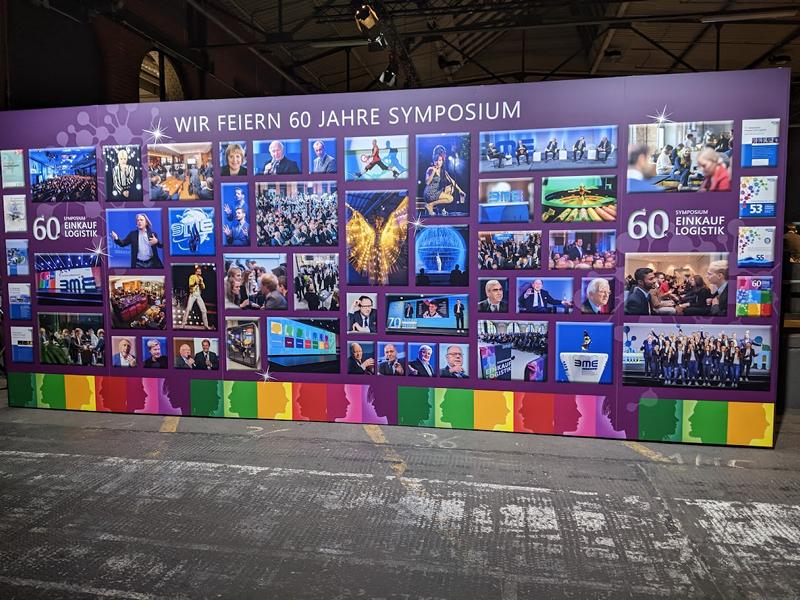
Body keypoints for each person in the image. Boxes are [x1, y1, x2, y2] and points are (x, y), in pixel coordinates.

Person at [423, 145, 465, 215]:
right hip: (429, 193)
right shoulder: (430, 169)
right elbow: (427, 182)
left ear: (442, 161)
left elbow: (452, 181)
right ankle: (430, 205)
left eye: (440, 160)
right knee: (450, 198)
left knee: (451, 188)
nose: (438, 162)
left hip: (436, 192)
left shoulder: (443, 171)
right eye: (436, 160)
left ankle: (441, 209)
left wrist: (460, 190)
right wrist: (433, 172)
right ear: (433, 161)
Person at [181, 265, 210, 329]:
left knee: (204, 310)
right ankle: (183, 324)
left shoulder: (201, 278)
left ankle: (206, 326)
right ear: (196, 271)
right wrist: (195, 283)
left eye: (200, 271)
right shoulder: (192, 276)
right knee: (188, 309)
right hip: (193, 294)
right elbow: (190, 284)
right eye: (198, 271)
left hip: (198, 295)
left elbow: (203, 287)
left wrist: (201, 282)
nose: (199, 272)